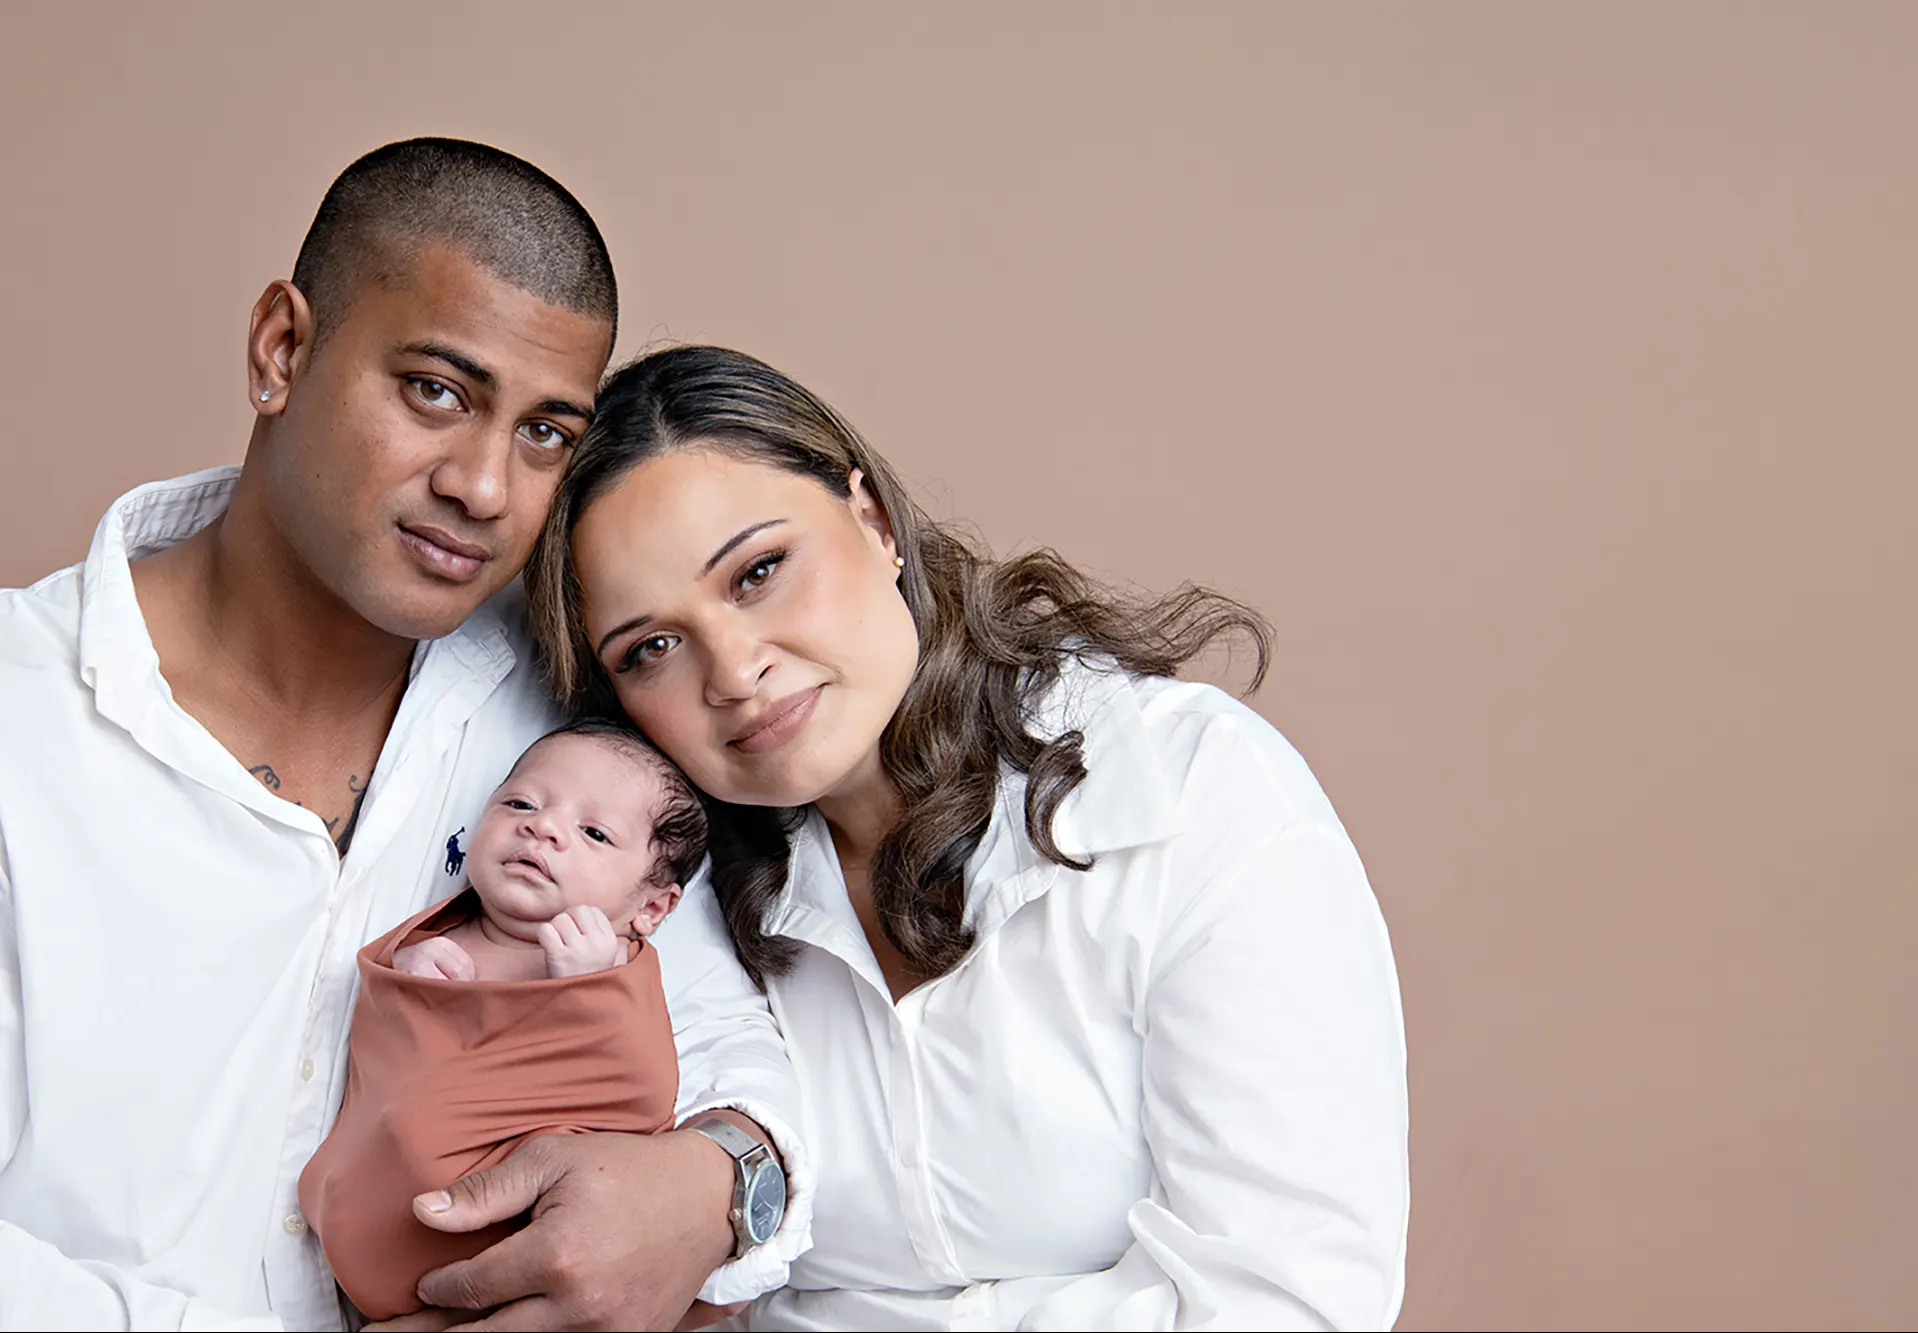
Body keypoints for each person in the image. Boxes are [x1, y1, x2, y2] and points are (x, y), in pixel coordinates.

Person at [0, 142, 811, 1331]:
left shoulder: (561, 720)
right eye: (436, 390)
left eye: (545, 433)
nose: (485, 487)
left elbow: (732, 1041)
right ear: (283, 349)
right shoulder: (23, 720)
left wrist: (715, 1180)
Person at [528, 345, 1411, 1330]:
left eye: (760, 571)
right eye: (652, 647)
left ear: (870, 520)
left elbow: (1289, 1302)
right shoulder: (667, 909)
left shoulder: (1186, 789)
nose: (732, 672)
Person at [300, 720, 713, 1320]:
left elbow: (638, 1094)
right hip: (359, 1241)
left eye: (593, 832)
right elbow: (385, 1034)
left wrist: (590, 994)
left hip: (504, 1263)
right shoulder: (435, 932)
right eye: (519, 802)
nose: (542, 826)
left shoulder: (611, 975)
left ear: (651, 907)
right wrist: (410, 970)